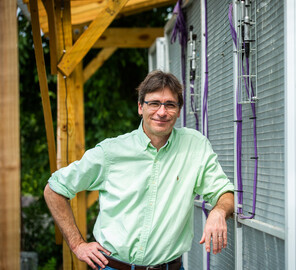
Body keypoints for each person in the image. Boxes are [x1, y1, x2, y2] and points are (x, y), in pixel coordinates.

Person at [44, 70, 235, 270]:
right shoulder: (111, 151)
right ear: (140, 107)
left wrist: (218, 212)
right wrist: (78, 244)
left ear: (179, 111)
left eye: (170, 104)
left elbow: (224, 193)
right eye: (154, 103)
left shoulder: (195, 146)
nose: (162, 112)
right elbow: (54, 189)